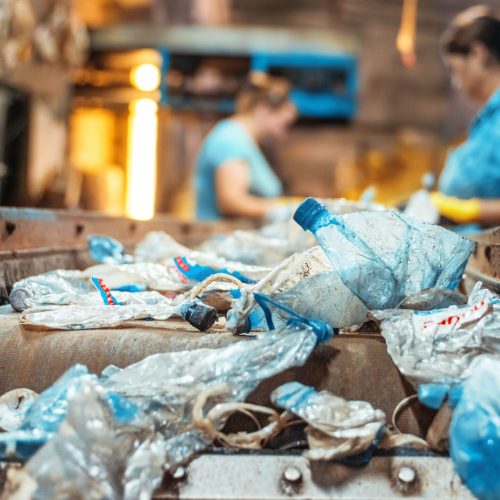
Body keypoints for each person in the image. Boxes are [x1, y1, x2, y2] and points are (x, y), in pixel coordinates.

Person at [430, 7, 500, 226]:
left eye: (454, 69)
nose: (455, 81)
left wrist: (467, 210)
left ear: (478, 54)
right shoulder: (487, 120)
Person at [195, 73, 297, 221]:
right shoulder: (231, 139)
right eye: (283, 123)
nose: (283, 133)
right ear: (264, 109)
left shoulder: (248, 143)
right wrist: (280, 210)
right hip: (221, 239)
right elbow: (230, 201)